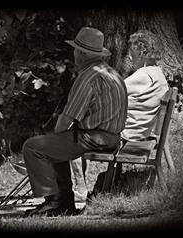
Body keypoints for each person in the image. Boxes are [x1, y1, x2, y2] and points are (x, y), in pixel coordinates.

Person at [22, 27, 128, 216]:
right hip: (113, 137)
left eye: (75, 50)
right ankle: (63, 201)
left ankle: (56, 202)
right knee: (56, 143)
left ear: (81, 53)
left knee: (34, 146)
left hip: (96, 137)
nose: (73, 54)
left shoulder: (88, 77)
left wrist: (53, 138)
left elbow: (67, 119)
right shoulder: (112, 72)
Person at [70, 29, 169, 200]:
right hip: (138, 132)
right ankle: (83, 187)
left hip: (125, 136)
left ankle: (80, 188)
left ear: (142, 52)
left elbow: (111, 90)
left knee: (71, 137)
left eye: (132, 53)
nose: (129, 58)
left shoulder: (143, 77)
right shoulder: (158, 74)